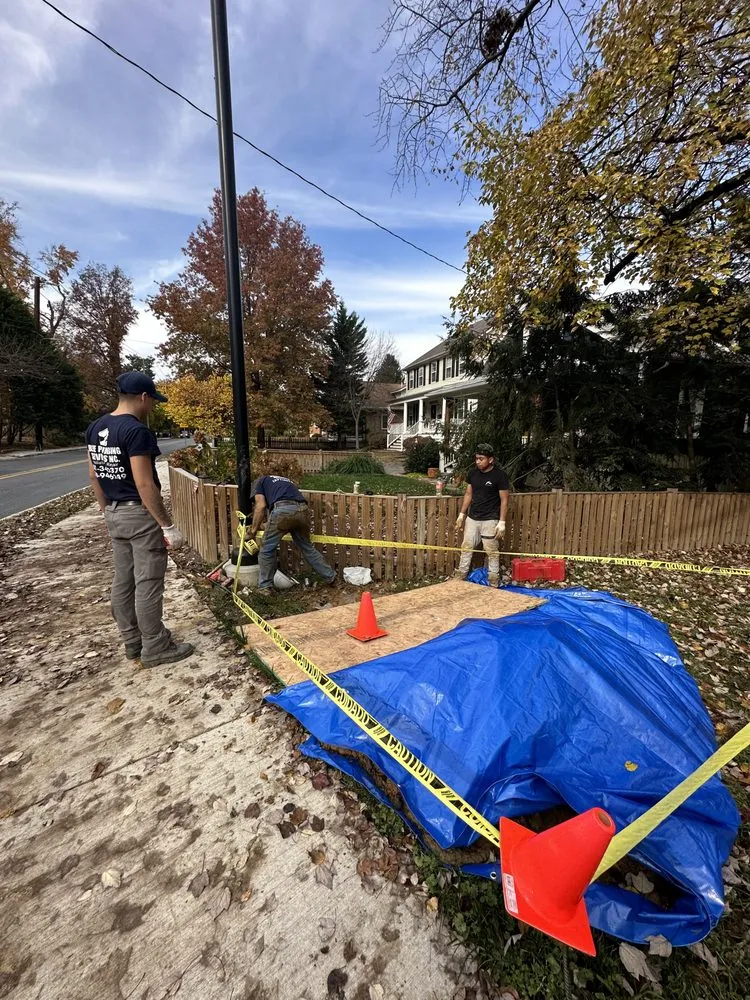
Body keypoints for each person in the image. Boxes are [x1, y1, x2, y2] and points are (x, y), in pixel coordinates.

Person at [86, 372, 195, 667]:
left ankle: (132, 641)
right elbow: (145, 484)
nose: (153, 408)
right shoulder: (136, 432)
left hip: (115, 513)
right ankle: (155, 647)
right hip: (139, 513)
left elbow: (94, 474)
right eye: (153, 402)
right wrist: (167, 525)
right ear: (143, 397)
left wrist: (105, 508)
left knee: (123, 581)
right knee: (147, 582)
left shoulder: (96, 427)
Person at [249, 474, 336, 594]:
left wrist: (253, 531)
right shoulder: (283, 480)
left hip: (283, 510)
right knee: (307, 548)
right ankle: (330, 576)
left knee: (266, 549)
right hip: (302, 510)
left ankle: (264, 587)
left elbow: (261, 506)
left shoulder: (259, 482)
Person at [453, 443, 510, 587]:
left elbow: (504, 500)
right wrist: (462, 514)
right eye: (476, 458)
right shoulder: (473, 474)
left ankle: (493, 579)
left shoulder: (499, 476)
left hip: (490, 519)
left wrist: (501, 522)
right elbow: (468, 494)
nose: (478, 461)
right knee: (466, 547)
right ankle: (461, 575)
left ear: (490, 460)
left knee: (491, 550)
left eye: (481, 459)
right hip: (473, 518)